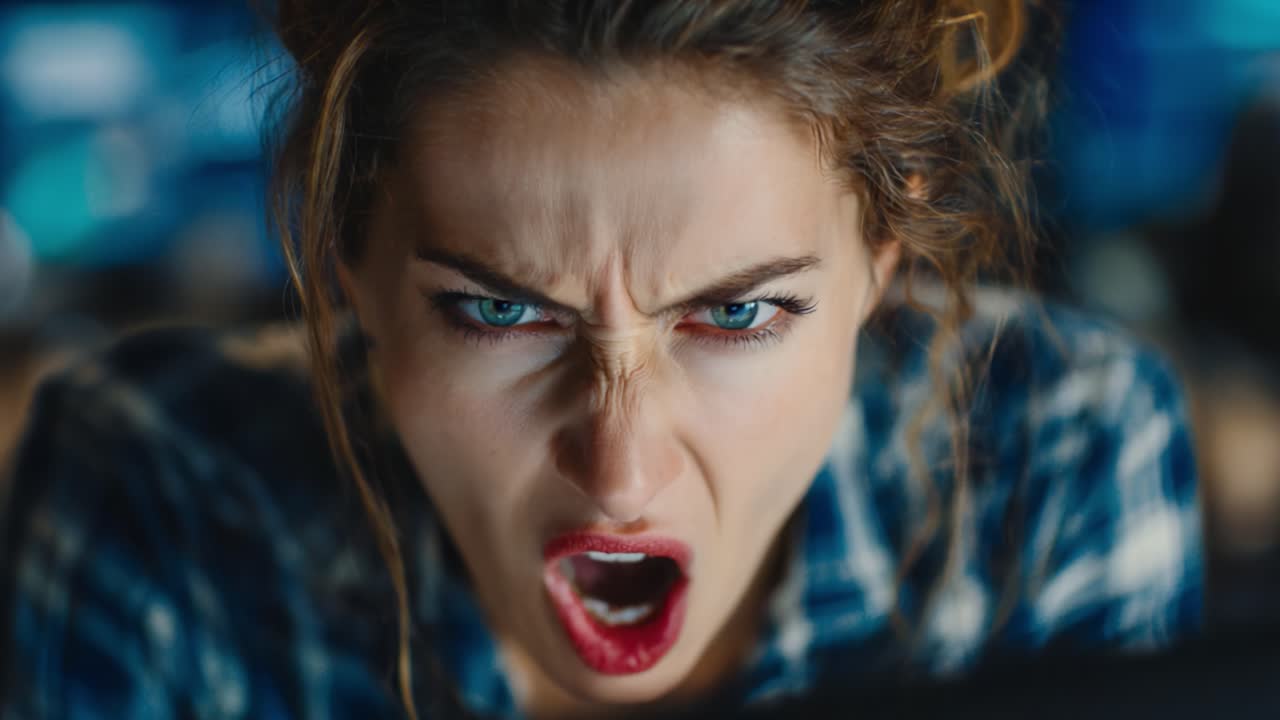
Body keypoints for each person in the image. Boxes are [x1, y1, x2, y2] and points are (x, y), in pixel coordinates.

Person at [1, 1, 1202, 718]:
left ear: (878, 267)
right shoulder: (163, 492)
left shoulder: (1051, 453)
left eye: (735, 318)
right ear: (346, 264)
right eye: (500, 315)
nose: (617, 471)